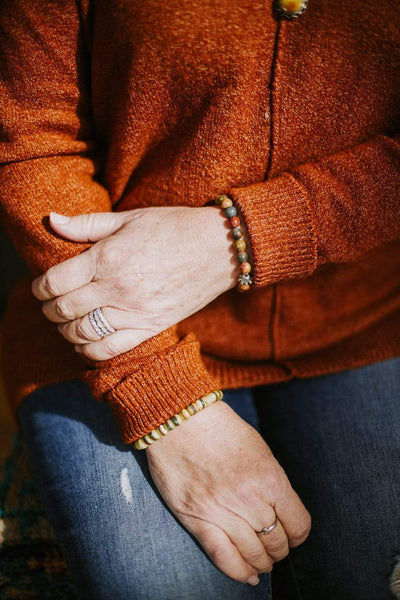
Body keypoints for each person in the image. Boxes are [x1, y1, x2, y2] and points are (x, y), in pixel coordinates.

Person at [1, 0, 399, 598]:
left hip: (367, 319)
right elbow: (32, 140)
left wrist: (237, 241)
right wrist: (162, 398)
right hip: (105, 331)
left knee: (368, 578)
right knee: (163, 587)